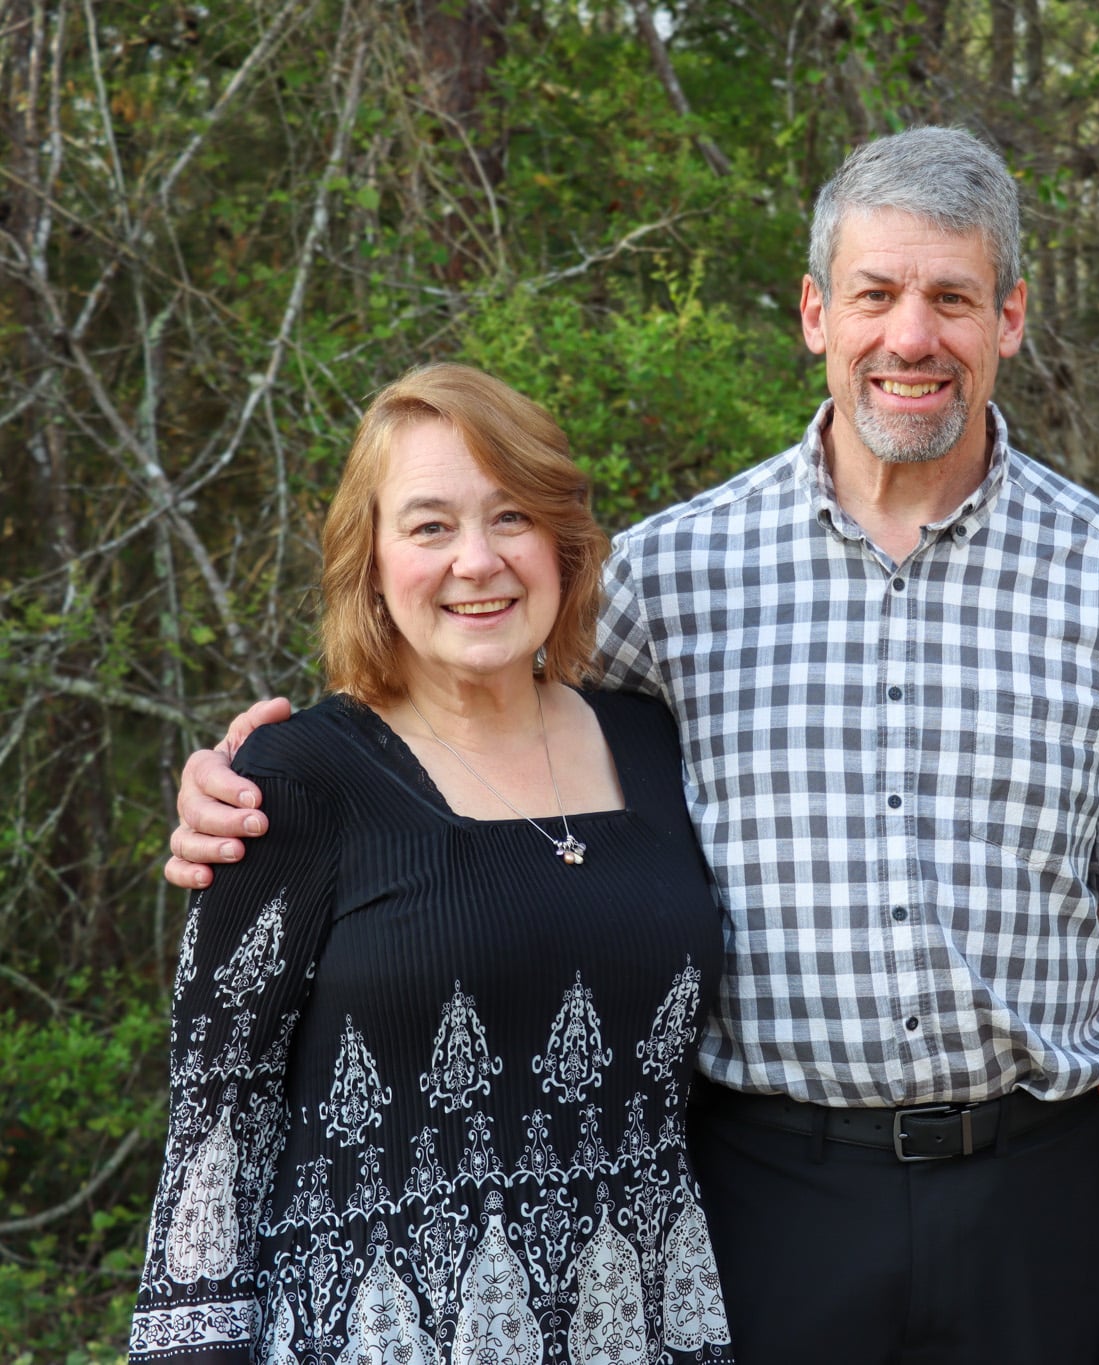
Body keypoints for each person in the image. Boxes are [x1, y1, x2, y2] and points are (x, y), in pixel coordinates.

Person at [164, 127, 1099, 1365]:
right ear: (817, 314)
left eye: (953, 299)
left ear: (1012, 318)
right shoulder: (674, 576)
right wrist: (271, 781)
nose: (912, 338)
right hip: (762, 1203)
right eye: (876, 295)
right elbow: (469, 686)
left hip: (1036, 1199)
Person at [132, 365, 732, 1363]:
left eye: (511, 517)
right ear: (369, 561)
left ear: (562, 543)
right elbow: (213, 1141)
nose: (478, 561)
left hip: (643, 1333)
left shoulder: (657, 747)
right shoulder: (293, 783)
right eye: (429, 527)